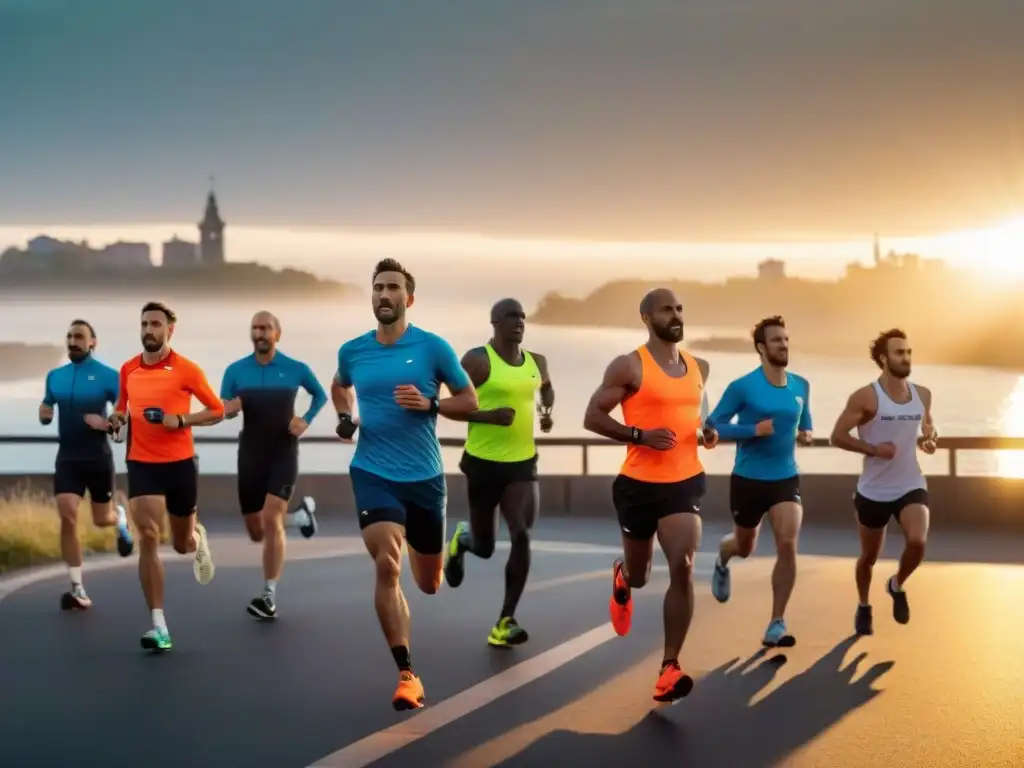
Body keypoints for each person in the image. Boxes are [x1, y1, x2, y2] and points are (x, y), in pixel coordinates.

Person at [331, 259, 479, 710]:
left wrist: (431, 403)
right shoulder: (353, 351)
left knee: (428, 583)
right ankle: (407, 673)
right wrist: (345, 416)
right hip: (373, 472)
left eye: (393, 288)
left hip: (425, 479)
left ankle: (452, 546)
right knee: (386, 565)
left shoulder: (432, 348)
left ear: (408, 299)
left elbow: (469, 400)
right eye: (378, 288)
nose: (384, 295)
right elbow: (340, 387)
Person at [582, 287, 717, 703]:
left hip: (684, 482)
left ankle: (669, 667)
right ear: (646, 317)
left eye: (680, 308)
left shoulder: (700, 366)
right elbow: (592, 417)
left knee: (684, 564)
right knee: (641, 577)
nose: (676, 315)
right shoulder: (629, 366)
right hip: (638, 486)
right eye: (666, 309)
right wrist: (638, 435)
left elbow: (697, 415)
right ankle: (624, 577)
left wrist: (706, 432)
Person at [109, 302, 225, 652]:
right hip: (141, 463)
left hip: (179, 464)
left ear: (169, 330)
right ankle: (158, 625)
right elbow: (121, 406)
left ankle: (196, 535)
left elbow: (217, 410)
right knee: (147, 535)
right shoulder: (128, 368)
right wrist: (117, 419)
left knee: (181, 544)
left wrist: (183, 421)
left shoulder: (187, 369)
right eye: (144, 323)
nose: (149, 329)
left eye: (156, 324)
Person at [441, 298, 555, 648]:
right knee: (486, 546)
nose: (519, 321)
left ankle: (505, 619)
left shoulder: (536, 361)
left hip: (522, 463)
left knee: (522, 534)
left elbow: (546, 386)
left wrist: (546, 410)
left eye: (522, 316)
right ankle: (463, 541)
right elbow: (446, 405)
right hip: (482, 462)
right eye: (511, 316)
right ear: (495, 322)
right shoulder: (476, 361)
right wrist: (487, 417)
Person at [705, 315, 813, 647]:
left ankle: (776, 623)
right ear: (761, 348)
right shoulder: (742, 387)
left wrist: (806, 431)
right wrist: (753, 430)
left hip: (785, 478)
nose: (783, 344)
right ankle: (723, 558)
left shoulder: (800, 384)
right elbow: (713, 426)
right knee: (745, 546)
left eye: (786, 339)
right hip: (748, 480)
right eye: (776, 340)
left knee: (787, 542)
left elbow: (803, 417)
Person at [830, 328, 936, 636]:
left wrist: (929, 441)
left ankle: (896, 584)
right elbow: (837, 436)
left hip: (910, 484)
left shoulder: (923, 394)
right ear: (883, 358)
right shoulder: (866, 397)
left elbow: (928, 428)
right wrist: (874, 449)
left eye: (908, 351)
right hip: (873, 491)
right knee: (869, 557)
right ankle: (864, 605)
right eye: (898, 352)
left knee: (917, 542)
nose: (906, 357)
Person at [220, 310, 326, 620]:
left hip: (283, 452)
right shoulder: (235, 371)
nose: (260, 333)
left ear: (277, 333)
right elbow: (223, 407)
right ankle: (301, 517)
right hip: (250, 455)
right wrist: (230, 408)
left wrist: (305, 420)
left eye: (266, 328)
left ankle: (268, 595)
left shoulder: (295, 369)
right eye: (255, 328)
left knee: (270, 516)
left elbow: (319, 395)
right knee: (256, 530)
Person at [39, 319, 133, 610]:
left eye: (79, 336)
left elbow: (126, 424)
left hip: (97, 458)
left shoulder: (109, 377)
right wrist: (44, 412)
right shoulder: (54, 376)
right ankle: (77, 588)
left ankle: (118, 517)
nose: (72, 341)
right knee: (67, 515)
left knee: (99, 519)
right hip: (67, 457)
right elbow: (47, 406)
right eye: (69, 336)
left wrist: (105, 424)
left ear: (93, 342)